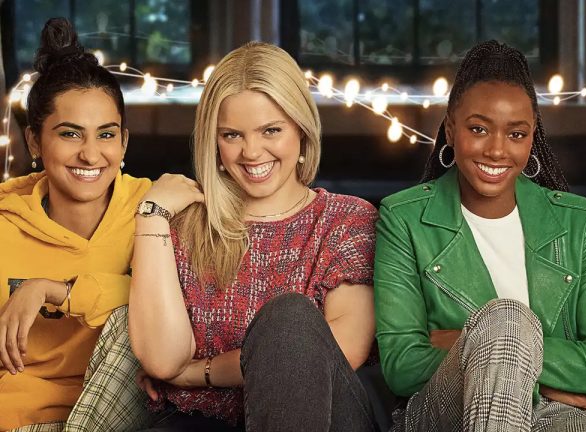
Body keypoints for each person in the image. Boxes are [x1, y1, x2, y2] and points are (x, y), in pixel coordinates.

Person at [374, 40, 586, 431]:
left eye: (516, 134)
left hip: (567, 415)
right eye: (478, 129)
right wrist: (503, 346)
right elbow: (403, 366)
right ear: (450, 129)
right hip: (446, 412)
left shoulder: (580, 222)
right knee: (506, 319)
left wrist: (476, 344)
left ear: (532, 136)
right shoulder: (403, 218)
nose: (496, 150)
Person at [129, 41, 378, 431]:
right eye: (232, 135)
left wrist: (196, 373)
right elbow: (162, 361)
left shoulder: (346, 220)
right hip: (202, 424)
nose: (251, 152)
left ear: (301, 129)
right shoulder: (187, 225)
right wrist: (151, 216)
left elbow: (339, 350)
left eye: (271, 130)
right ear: (214, 141)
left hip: (328, 419)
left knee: (289, 318)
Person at [0, 17, 151, 431]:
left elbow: (184, 305)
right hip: (21, 418)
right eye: (70, 134)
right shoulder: (6, 223)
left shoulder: (155, 209)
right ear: (34, 141)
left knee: (137, 313)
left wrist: (55, 291)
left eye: (106, 135)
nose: (90, 154)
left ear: (124, 141)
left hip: (124, 409)